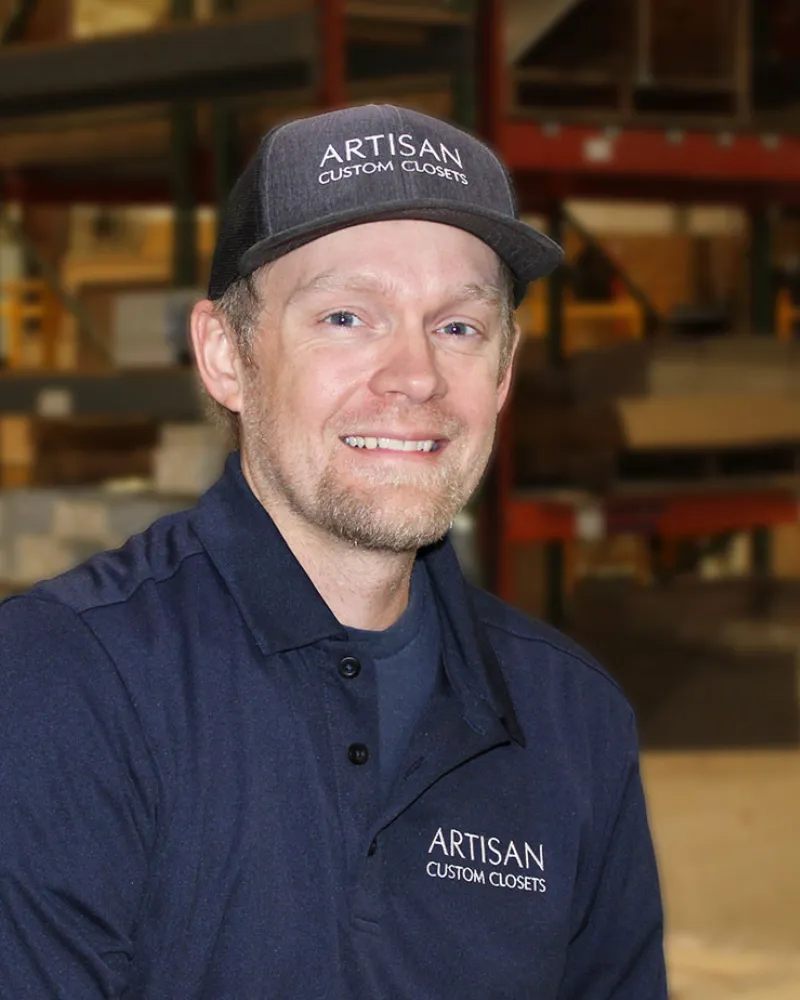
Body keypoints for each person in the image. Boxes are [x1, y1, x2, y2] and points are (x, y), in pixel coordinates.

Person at [0, 104, 667, 999]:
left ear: (504, 373)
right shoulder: (62, 685)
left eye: (459, 327)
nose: (417, 375)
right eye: (348, 316)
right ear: (226, 355)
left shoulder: (574, 721)